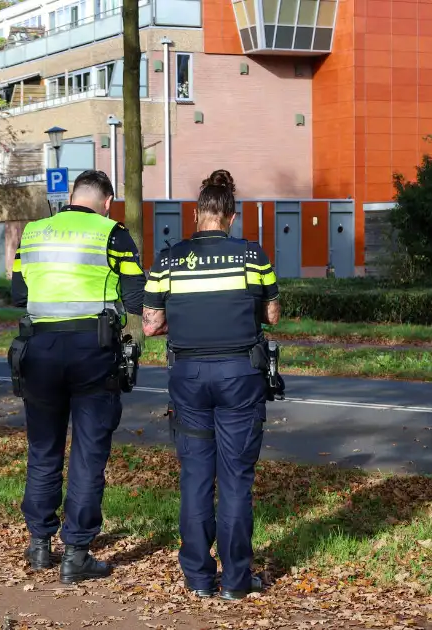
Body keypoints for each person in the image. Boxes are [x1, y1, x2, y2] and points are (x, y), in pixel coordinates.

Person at [141, 169, 280, 600]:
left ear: (197, 214)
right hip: (240, 375)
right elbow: (273, 315)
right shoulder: (251, 256)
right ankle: (237, 582)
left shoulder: (168, 260)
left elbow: (150, 325)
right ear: (231, 217)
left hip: (188, 378)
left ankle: (199, 579)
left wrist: (180, 324)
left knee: (196, 476)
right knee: (236, 477)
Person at [9, 169, 145, 584]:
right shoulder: (111, 232)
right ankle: (77, 552)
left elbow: (18, 294)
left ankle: (38, 544)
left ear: (71, 197)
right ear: (106, 202)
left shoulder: (32, 233)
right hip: (92, 351)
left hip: (40, 350)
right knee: (88, 452)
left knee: (43, 448)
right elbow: (137, 294)